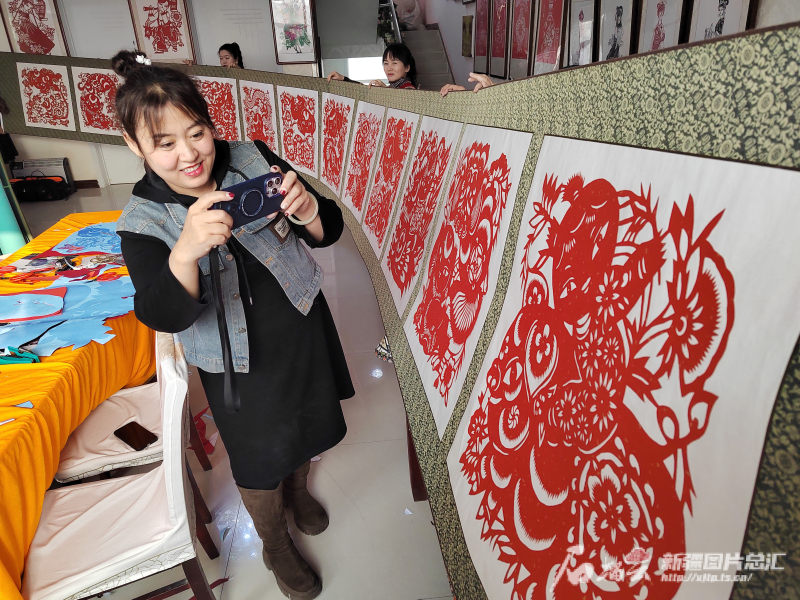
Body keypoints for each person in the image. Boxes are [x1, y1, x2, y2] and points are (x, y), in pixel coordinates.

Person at [113, 50, 353, 600]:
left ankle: (298, 491)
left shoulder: (252, 158)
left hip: (299, 325)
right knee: (258, 452)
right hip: (234, 363)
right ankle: (275, 544)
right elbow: (160, 312)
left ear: (209, 123)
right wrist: (184, 252)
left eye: (196, 133)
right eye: (164, 143)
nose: (189, 155)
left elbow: (329, 228)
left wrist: (308, 212)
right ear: (134, 145)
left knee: (308, 422)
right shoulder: (142, 221)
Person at [327, 42, 418, 89]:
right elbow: (364, 90)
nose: (389, 68)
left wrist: (384, 91)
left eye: (394, 63)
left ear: (407, 67)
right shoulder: (393, 88)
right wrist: (343, 78)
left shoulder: (409, 90)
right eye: (386, 63)